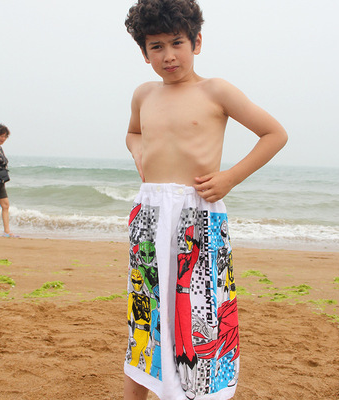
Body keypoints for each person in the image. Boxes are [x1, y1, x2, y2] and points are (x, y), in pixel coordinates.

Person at [123, 1, 288, 399]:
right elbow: (133, 132)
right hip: (150, 215)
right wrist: (138, 151)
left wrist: (230, 177)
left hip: (196, 215)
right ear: (144, 53)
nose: (168, 55)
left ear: (196, 42)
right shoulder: (143, 95)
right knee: (146, 312)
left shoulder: (215, 90)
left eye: (176, 43)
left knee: (200, 315)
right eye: (156, 46)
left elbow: (274, 134)